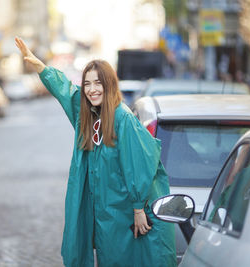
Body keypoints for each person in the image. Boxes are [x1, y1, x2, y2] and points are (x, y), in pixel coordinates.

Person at [15, 37, 176, 267]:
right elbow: (67, 92)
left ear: (109, 84)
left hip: (124, 212)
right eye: (87, 84)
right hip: (104, 214)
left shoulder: (122, 118)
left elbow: (139, 162)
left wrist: (139, 208)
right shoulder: (88, 115)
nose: (91, 90)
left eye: (97, 83)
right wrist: (41, 68)